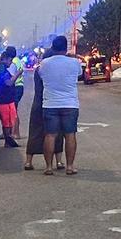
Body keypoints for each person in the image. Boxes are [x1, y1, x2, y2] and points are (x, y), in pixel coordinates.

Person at [37, 36, 82, 175]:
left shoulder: (44, 63)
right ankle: (69, 166)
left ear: (53, 47)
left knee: (50, 135)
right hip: (70, 104)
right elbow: (79, 74)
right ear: (65, 48)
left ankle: (49, 167)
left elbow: (40, 75)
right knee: (70, 135)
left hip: (50, 104)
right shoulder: (74, 62)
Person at [24, 46, 65, 171]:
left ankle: (28, 162)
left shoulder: (39, 70)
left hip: (38, 103)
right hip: (52, 103)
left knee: (35, 132)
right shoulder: (54, 71)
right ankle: (58, 162)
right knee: (57, 133)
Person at [0, 47, 20, 148]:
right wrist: (17, 74)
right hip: (4, 100)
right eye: (10, 60)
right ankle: (8, 141)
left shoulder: (2, 67)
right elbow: (8, 83)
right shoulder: (1, 67)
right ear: (6, 59)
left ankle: (8, 141)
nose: (11, 62)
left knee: (8, 122)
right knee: (7, 122)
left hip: (6, 99)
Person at [12, 55, 26, 138]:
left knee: (13, 110)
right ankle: (11, 132)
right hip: (19, 86)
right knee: (13, 110)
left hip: (16, 86)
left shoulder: (14, 62)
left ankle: (16, 133)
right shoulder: (18, 60)